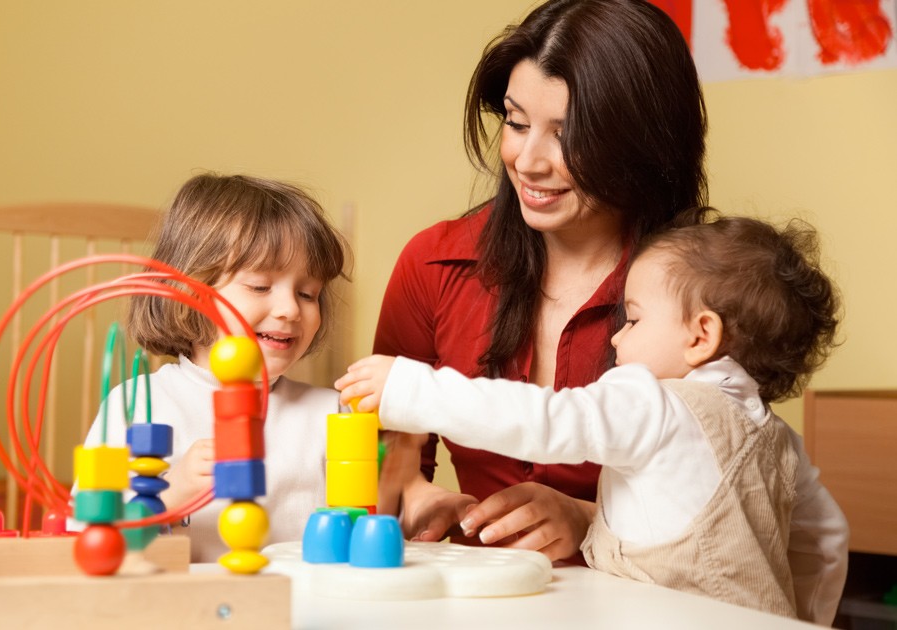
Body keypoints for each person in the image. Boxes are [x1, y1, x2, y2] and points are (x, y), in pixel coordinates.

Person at [339, 213, 849, 623]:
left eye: (634, 319)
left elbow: (544, 420)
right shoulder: (777, 437)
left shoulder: (651, 404)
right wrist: (802, 619)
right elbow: (825, 541)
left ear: (701, 335)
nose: (616, 337)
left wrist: (411, 389)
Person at [372, 0, 707, 560]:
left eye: (566, 134)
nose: (528, 161)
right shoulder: (433, 263)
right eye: (517, 122)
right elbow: (389, 455)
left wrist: (591, 521)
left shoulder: (708, 293)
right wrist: (416, 496)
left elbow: (729, 503)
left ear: (642, 141)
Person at [79, 173, 349, 562]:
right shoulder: (137, 404)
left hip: (300, 596)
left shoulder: (332, 413)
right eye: (260, 286)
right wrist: (171, 494)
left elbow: (371, 519)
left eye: (308, 294)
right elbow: (91, 537)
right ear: (189, 290)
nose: (291, 309)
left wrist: (412, 497)